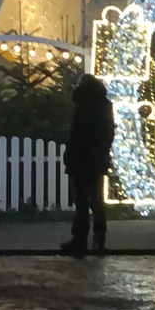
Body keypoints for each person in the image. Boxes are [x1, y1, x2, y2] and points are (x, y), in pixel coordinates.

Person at [62, 75, 115, 256]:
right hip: (97, 160)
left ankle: (80, 239)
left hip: (81, 159)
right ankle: (98, 239)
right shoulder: (104, 105)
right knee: (96, 200)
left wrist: (71, 156)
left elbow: (76, 134)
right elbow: (108, 134)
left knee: (82, 201)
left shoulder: (83, 105)